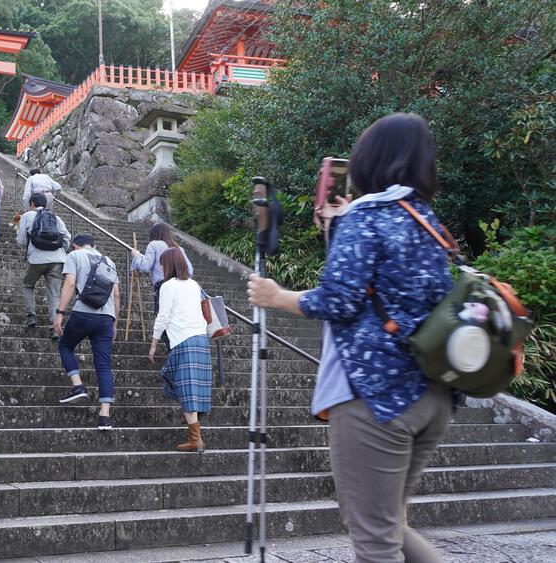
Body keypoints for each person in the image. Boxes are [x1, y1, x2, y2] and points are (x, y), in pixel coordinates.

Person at [246, 113, 453, 563]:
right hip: (432, 395)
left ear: (369, 161)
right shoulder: (426, 221)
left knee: (376, 542)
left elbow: (339, 302)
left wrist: (276, 296)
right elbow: (385, 294)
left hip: (375, 399)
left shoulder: (366, 215)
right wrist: (340, 229)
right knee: (390, 529)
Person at [53, 233, 120, 430]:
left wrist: (60, 313)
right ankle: (105, 416)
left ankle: (78, 385)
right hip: (107, 318)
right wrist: (115, 321)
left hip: (83, 313)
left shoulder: (75, 256)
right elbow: (116, 294)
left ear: (75, 246)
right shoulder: (109, 261)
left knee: (65, 345)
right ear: (95, 245)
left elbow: (71, 284)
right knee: (104, 366)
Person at [148, 248, 212, 452]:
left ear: (169, 265)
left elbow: (163, 316)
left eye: (162, 263)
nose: (160, 266)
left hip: (183, 340)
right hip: (201, 339)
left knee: (184, 386)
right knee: (187, 384)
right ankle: (194, 423)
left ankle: (195, 437)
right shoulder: (194, 285)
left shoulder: (168, 286)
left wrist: (154, 343)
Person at [16, 193, 71, 340]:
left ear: (32, 203)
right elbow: (67, 238)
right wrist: (61, 251)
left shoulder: (27, 216)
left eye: (29, 204)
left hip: (36, 259)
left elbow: (21, 240)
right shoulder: (56, 218)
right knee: (54, 294)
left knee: (28, 285)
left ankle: (31, 317)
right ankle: (54, 328)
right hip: (58, 259)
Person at [131, 223, 194, 314]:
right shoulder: (178, 248)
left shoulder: (154, 244)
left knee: (163, 314)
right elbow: (190, 271)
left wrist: (137, 256)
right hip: (181, 286)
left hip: (163, 285)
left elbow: (146, 266)